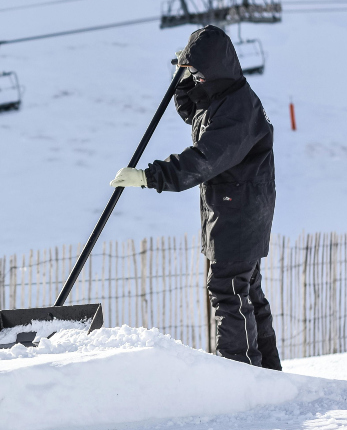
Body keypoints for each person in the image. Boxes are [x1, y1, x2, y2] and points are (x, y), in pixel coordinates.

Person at [109, 25, 281, 370]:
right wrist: (184, 81)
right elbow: (196, 113)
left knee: (227, 291)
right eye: (194, 74)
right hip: (238, 208)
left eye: (201, 74)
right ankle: (267, 375)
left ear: (216, 70)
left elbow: (205, 158)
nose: (197, 80)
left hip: (239, 214)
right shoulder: (227, 97)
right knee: (245, 292)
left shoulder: (237, 112)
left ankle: (241, 377)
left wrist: (149, 177)